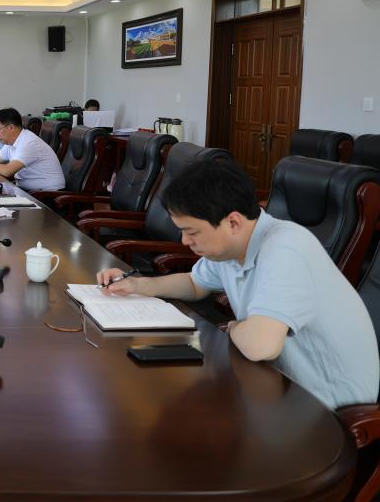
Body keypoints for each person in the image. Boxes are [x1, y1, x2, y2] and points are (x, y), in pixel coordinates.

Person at [97, 159, 379, 410]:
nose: (184, 241)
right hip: (278, 382)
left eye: (191, 231)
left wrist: (234, 328)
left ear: (232, 222)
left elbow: (260, 346)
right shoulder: (231, 247)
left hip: (328, 407)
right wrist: (138, 286)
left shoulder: (286, 248)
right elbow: (195, 284)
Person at [0, 108, 65, 192]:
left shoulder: (29, 142)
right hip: (27, 190)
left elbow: (7, 170)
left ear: (11, 128)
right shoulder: (11, 142)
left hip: (47, 195)